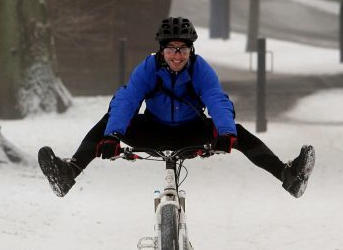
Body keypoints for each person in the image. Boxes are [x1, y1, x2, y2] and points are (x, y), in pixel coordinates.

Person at [38, 17, 315, 199]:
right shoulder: (148, 68)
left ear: (191, 50)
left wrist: (226, 133)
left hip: (191, 132)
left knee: (239, 133)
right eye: (171, 48)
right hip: (153, 131)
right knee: (108, 120)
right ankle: (68, 173)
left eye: (183, 48)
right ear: (161, 50)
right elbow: (128, 100)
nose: (177, 55)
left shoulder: (200, 69)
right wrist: (112, 137)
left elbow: (216, 99)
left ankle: (288, 176)